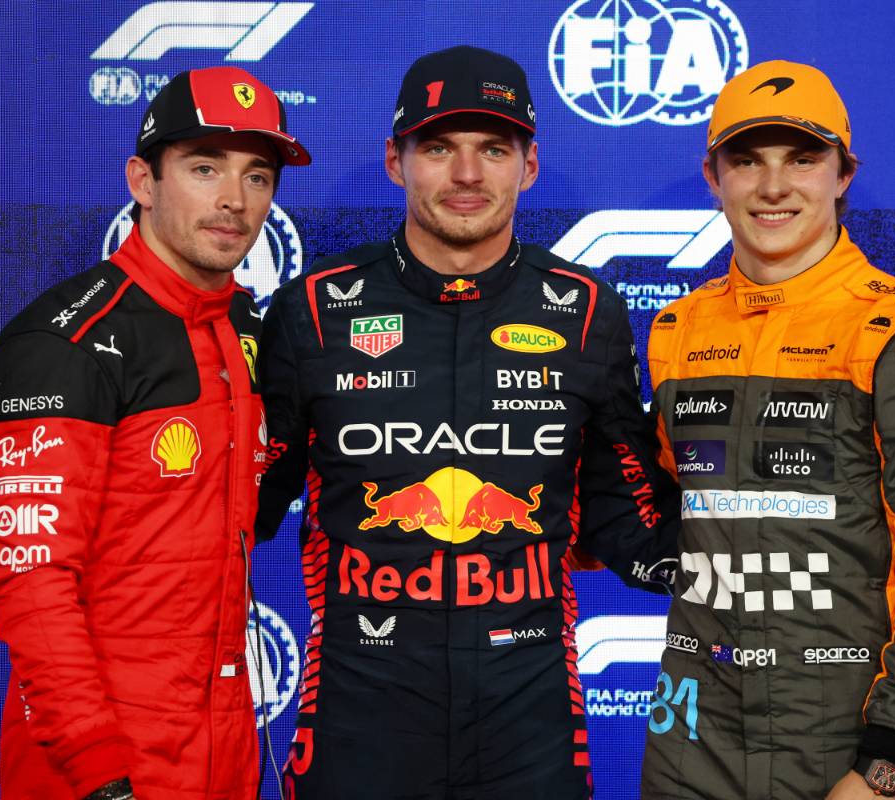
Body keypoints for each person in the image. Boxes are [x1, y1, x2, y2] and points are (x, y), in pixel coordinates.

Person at [254, 45, 678, 799]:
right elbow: (239, 506)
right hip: (357, 711)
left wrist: (756, 524)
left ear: (530, 165)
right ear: (396, 160)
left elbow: (628, 517)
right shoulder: (313, 310)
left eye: (494, 149)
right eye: (439, 148)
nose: (468, 175)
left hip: (531, 713)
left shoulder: (587, 314)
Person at [641, 61, 895, 799]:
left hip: (843, 749)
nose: (773, 187)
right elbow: (660, 514)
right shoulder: (675, 328)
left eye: (803, 159)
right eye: (747, 161)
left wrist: (884, 759)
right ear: (713, 176)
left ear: (844, 174)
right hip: (689, 750)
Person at [0, 66, 310, 800]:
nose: (234, 200)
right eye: (203, 167)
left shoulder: (250, 332)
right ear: (142, 180)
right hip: (100, 765)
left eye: (258, 176)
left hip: (222, 748)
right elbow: (33, 585)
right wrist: (98, 769)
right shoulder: (63, 344)